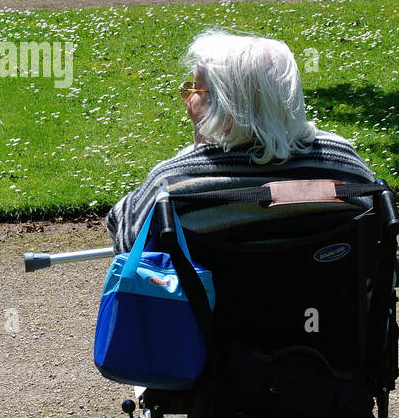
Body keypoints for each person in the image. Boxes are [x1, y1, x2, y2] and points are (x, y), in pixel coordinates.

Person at [106, 29, 376, 253]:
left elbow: (125, 237)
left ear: (226, 109)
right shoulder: (345, 166)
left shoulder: (173, 186)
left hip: (210, 319)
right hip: (329, 316)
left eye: (195, 89)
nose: (187, 100)